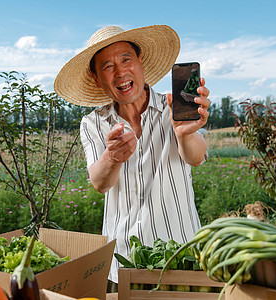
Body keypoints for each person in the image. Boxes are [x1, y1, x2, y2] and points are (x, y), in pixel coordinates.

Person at [54, 25, 210, 286]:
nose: (120, 72)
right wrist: (111, 158)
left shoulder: (174, 108)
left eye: (126, 59)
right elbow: (99, 182)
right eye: (107, 66)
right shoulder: (92, 124)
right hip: (122, 264)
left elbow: (195, 157)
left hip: (182, 258)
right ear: (96, 78)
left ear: (141, 63)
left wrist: (184, 134)